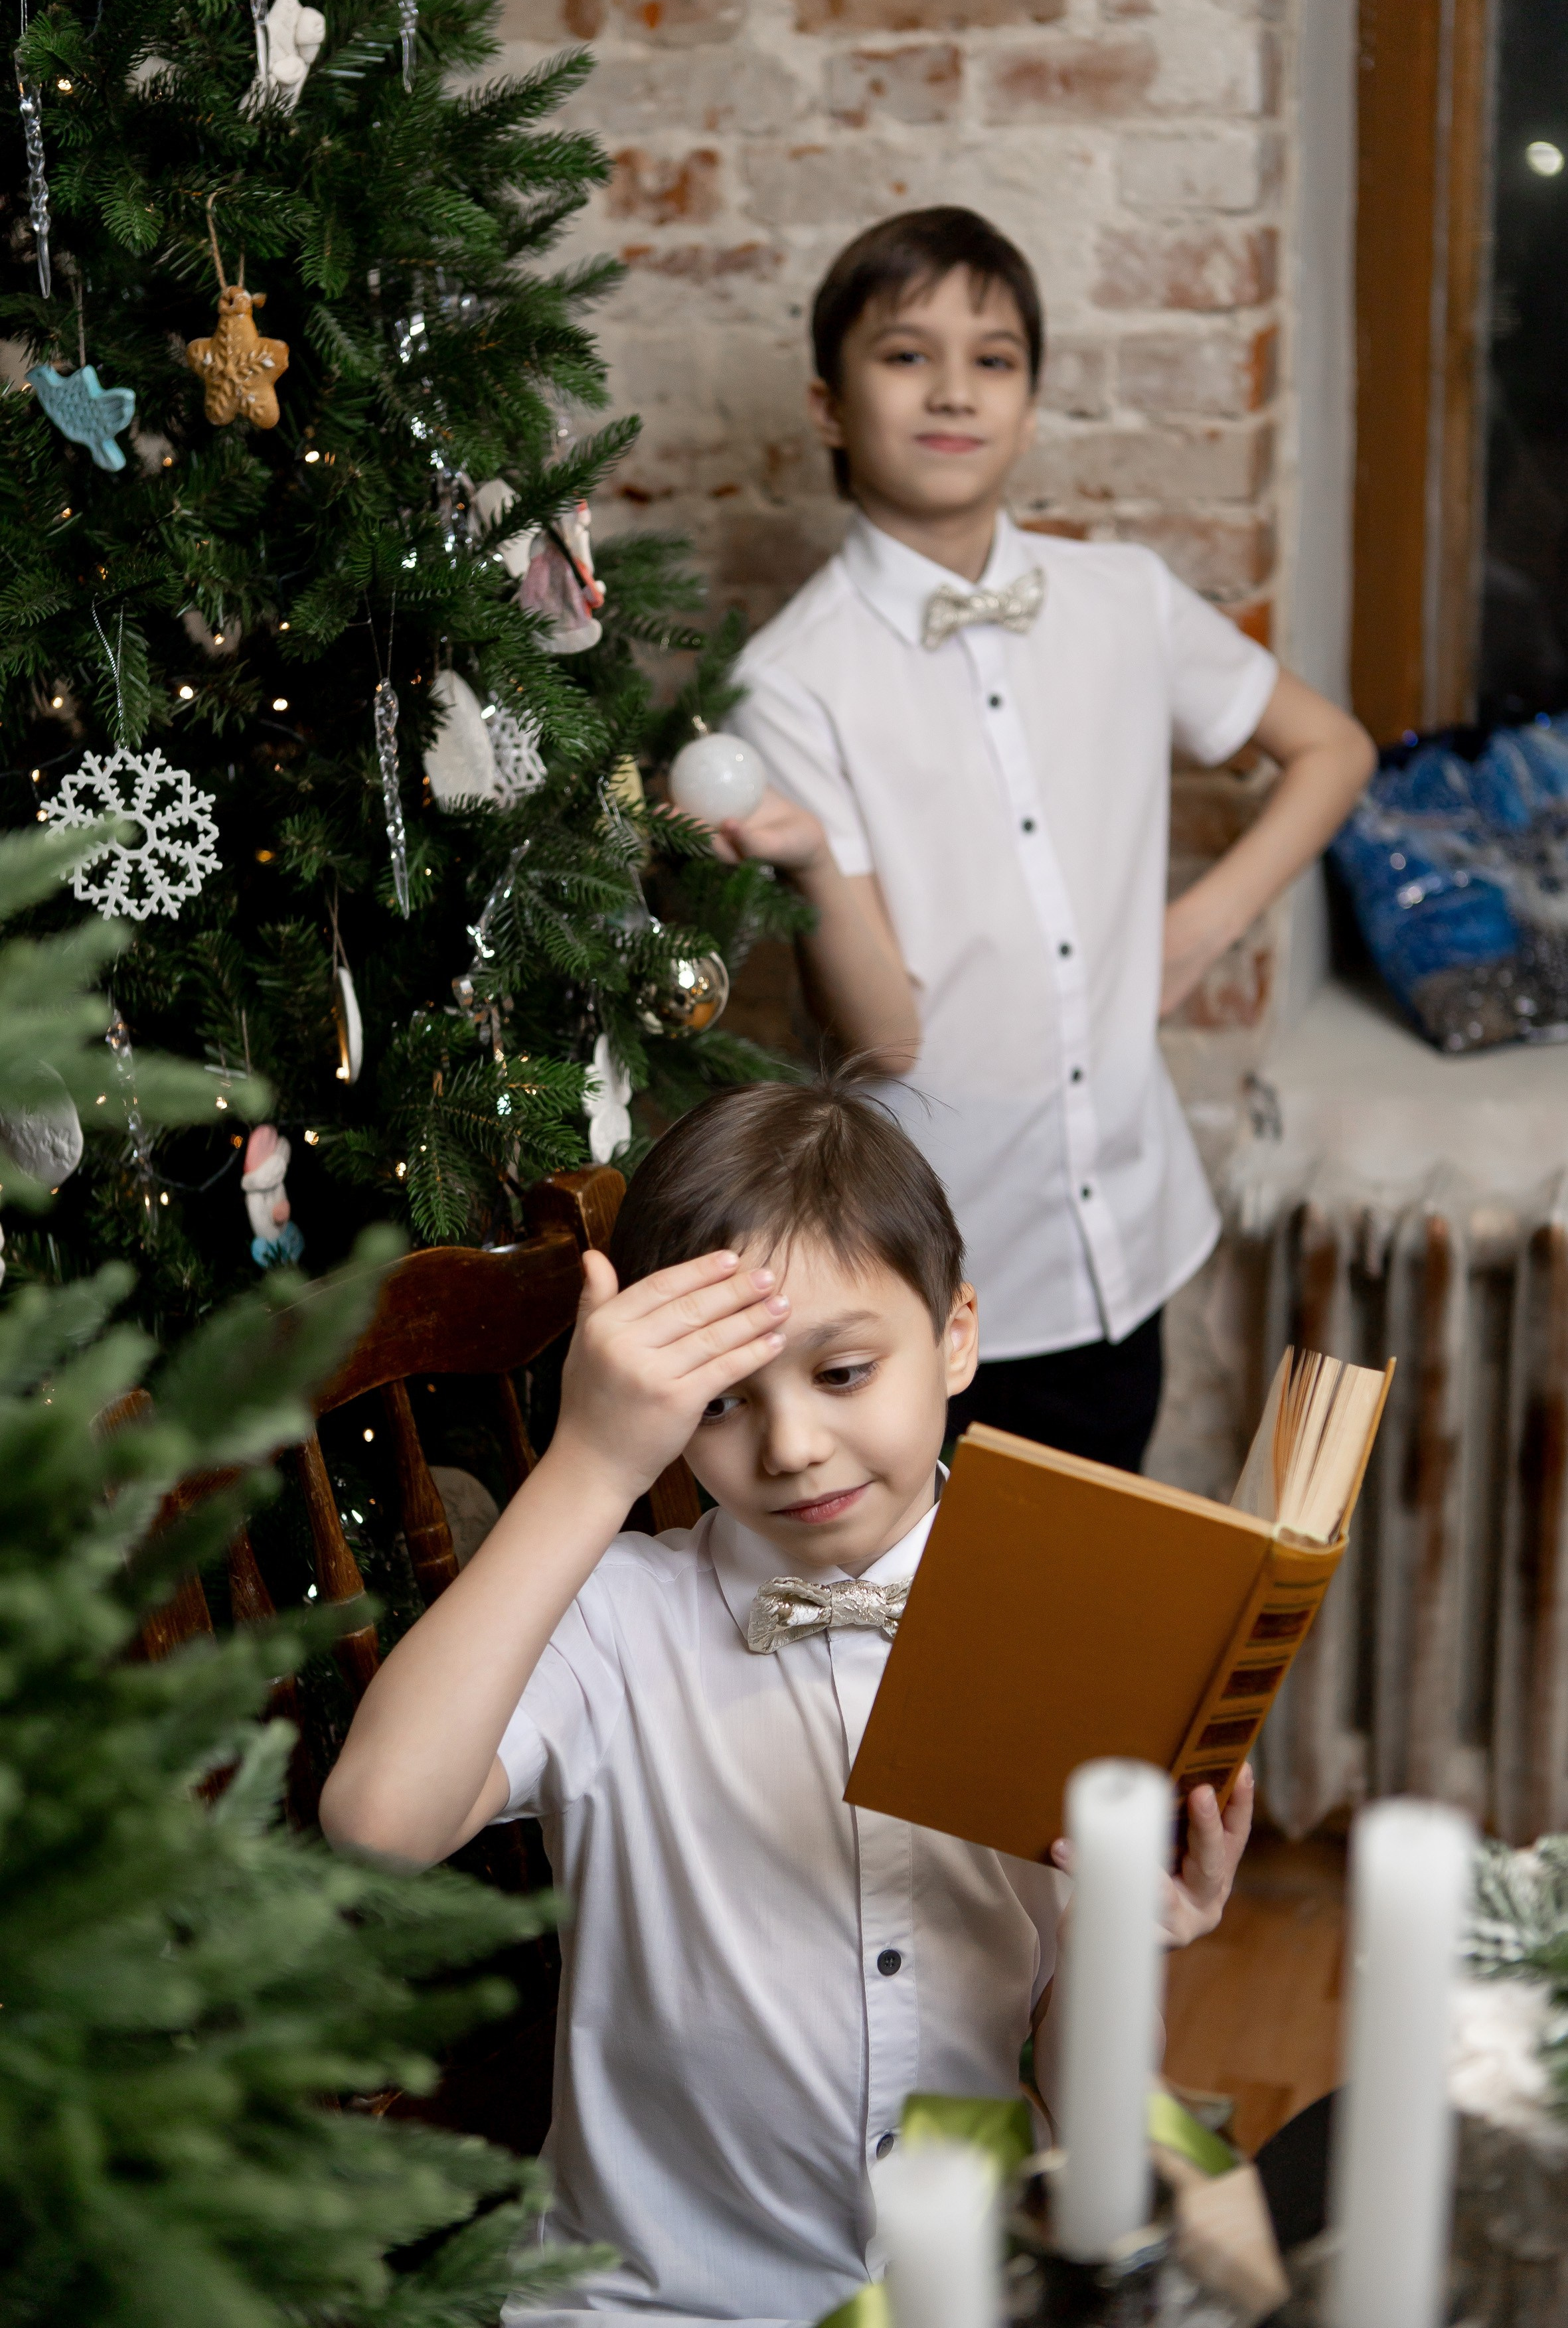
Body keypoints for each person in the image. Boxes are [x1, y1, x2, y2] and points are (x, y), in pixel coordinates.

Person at [320, 1078, 1254, 2326]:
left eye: (844, 1372)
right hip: (656, 2305)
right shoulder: (615, 1614)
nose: (791, 1446)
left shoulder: (1059, 1625)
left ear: (956, 1336)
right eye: (720, 1402)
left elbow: (1090, 2109)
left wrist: (1124, 1930)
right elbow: (379, 1820)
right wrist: (591, 1460)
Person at [712, 206, 1377, 1472]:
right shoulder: (790, 684)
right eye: (905, 355)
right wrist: (804, 859)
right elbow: (886, 1044)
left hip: (1125, 1234)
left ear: (1027, 404)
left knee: (1096, 1567)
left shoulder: (1123, 599)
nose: (953, 390)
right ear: (828, 407)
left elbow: (1331, 748)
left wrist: (1199, 926)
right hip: (932, 1275)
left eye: (994, 359)